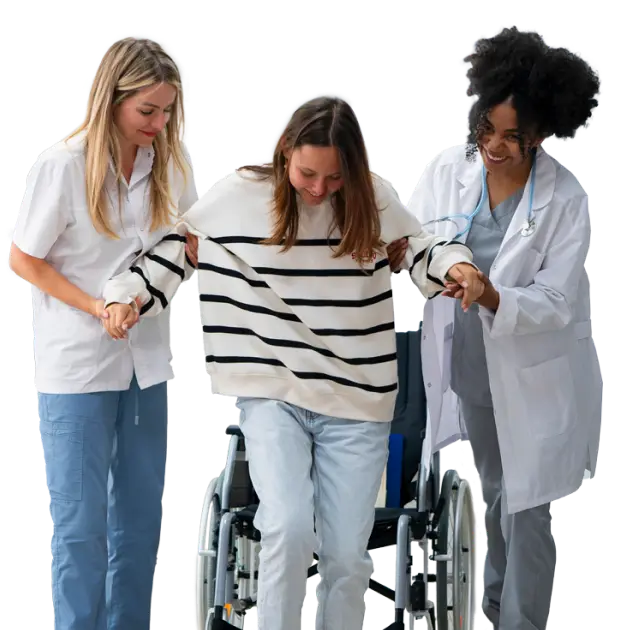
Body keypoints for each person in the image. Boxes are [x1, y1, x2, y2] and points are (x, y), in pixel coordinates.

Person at [100, 91, 484, 630]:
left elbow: (417, 252)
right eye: (308, 174)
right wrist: (127, 297)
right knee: (285, 527)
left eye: (334, 178)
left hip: (356, 398)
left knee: (347, 558)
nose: (319, 189)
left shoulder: (368, 199)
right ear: (284, 155)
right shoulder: (241, 196)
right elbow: (178, 251)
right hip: (274, 391)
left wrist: (455, 268)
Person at [397, 25, 602, 630]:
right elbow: (415, 243)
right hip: (470, 363)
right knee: (493, 489)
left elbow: (557, 300)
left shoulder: (566, 197)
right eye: (486, 128)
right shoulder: (445, 173)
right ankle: (492, 607)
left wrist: (490, 294)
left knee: (526, 503)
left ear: (542, 131)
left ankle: (520, 621)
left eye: (513, 136)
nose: (494, 145)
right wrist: (433, 267)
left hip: (532, 369)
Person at [9, 34, 199, 630]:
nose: (159, 122)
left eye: (169, 110)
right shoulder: (64, 165)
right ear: (111, 98)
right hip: (77, 366)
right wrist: (96, 306)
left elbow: (188, 242)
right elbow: (24, 258)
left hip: (147, 363)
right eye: (148, 110)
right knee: (81, 525)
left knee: (141, 521)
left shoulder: (166, 164)